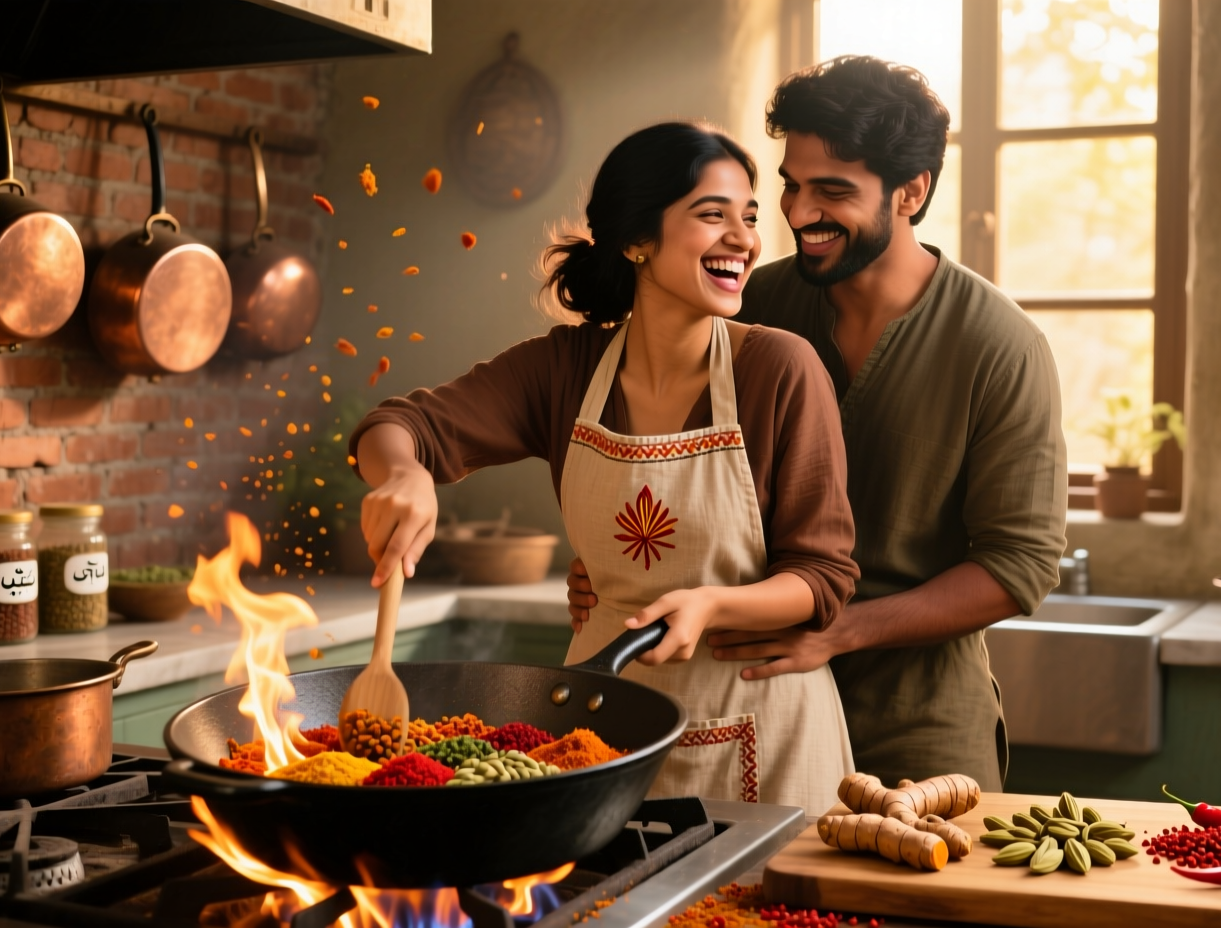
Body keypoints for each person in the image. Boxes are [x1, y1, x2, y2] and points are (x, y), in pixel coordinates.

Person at [569, 57, 1068, 792]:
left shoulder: (999, 344)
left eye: (833, 191)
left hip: (918, 728)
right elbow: (661, 444)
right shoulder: (750, 303)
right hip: (751, 704)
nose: (799, 214)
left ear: (912, 192)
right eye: (791, 186)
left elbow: (1019, 564)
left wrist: (844, 629)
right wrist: (613, 565)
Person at [350, 122, 859, 815]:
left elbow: (824, 577)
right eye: (713, 215)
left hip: (763, 727)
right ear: (635, 240)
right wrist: (403, 474)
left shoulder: (778, 367)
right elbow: (398, 426)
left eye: (749, 217)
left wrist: (711, 604)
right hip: (598, 727)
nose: (744, 239)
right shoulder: (562, 369)